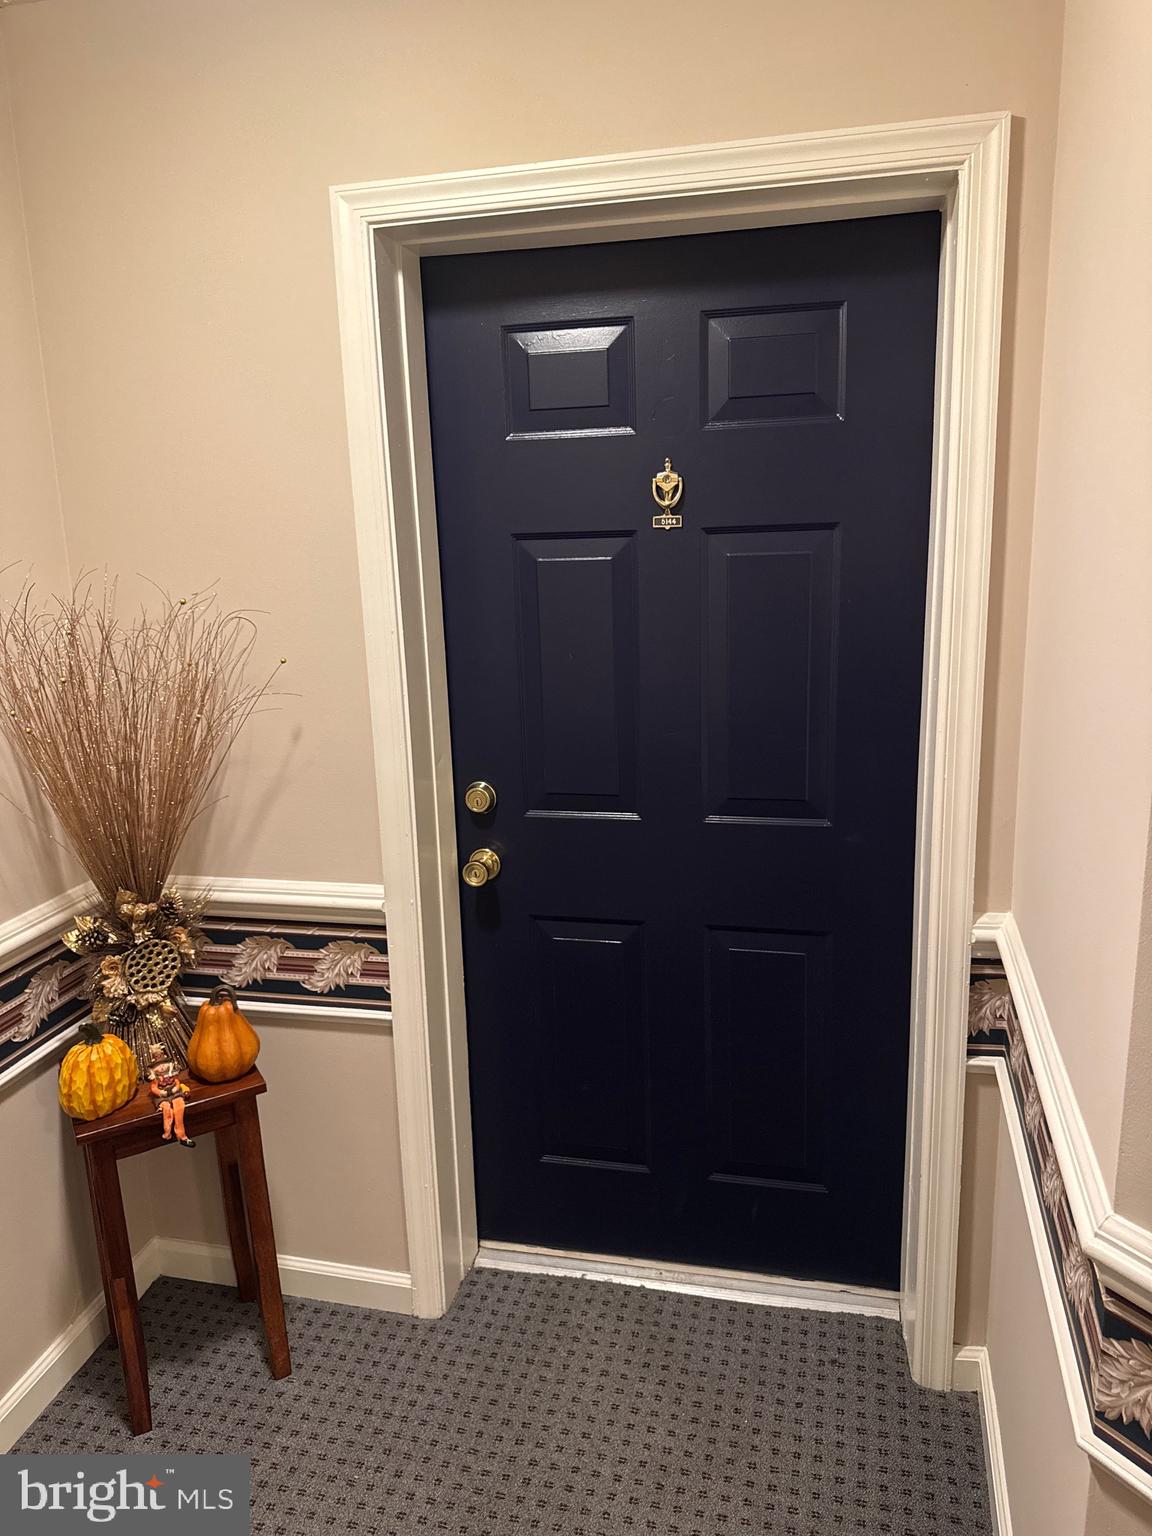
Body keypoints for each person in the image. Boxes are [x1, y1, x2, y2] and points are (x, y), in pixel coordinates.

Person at [146, 1042, 195, 1146]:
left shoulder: (171, 1075)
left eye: (164, 1064)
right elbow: (153, 1088)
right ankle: (167, 1132)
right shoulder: (156, 1079)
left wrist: (176, 1088)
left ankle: (182, 1135)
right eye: (158, 1066)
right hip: (162, 1097)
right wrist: (160, 1092)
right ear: (153, 1069)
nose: (162, 1068)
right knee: (167, 1109)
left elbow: (177, 1083)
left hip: (174, 1093)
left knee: (179, 1106)